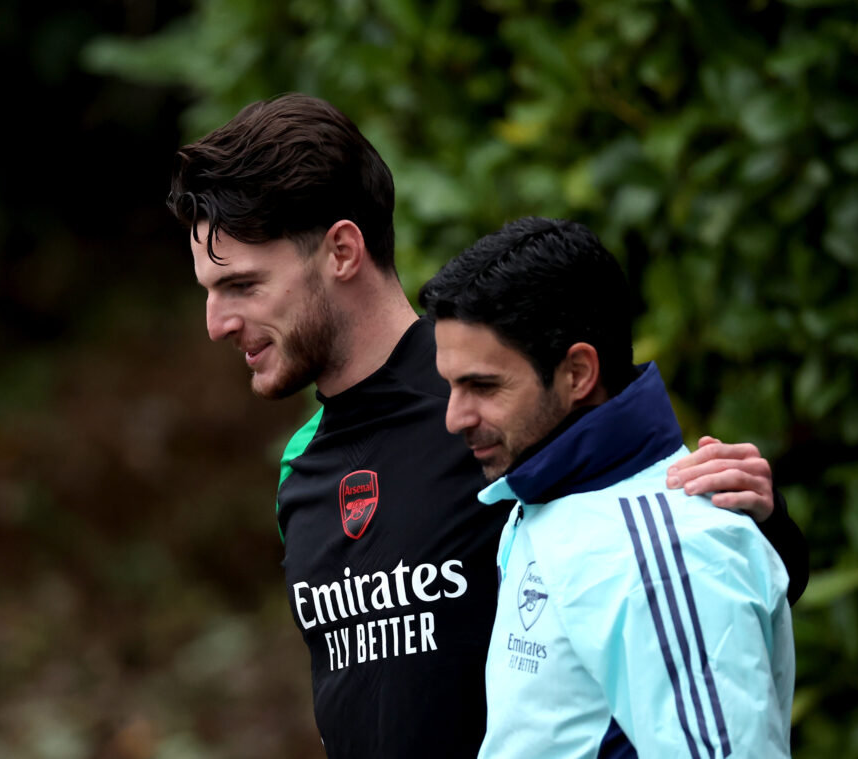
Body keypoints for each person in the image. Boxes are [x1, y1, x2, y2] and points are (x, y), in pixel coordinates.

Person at [167, 93, 806, 758]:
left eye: (241, 285)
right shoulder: (301, 463)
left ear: (342, 250)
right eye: (209, 291)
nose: (215, 323)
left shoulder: (503, 410)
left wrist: (765, 520)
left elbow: (672, 570)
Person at [420, 216, 794, 758]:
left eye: (482, 386)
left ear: (577, 373)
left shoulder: (671, 555)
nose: (455, 417)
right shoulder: (540, 500)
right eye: (451, 385)